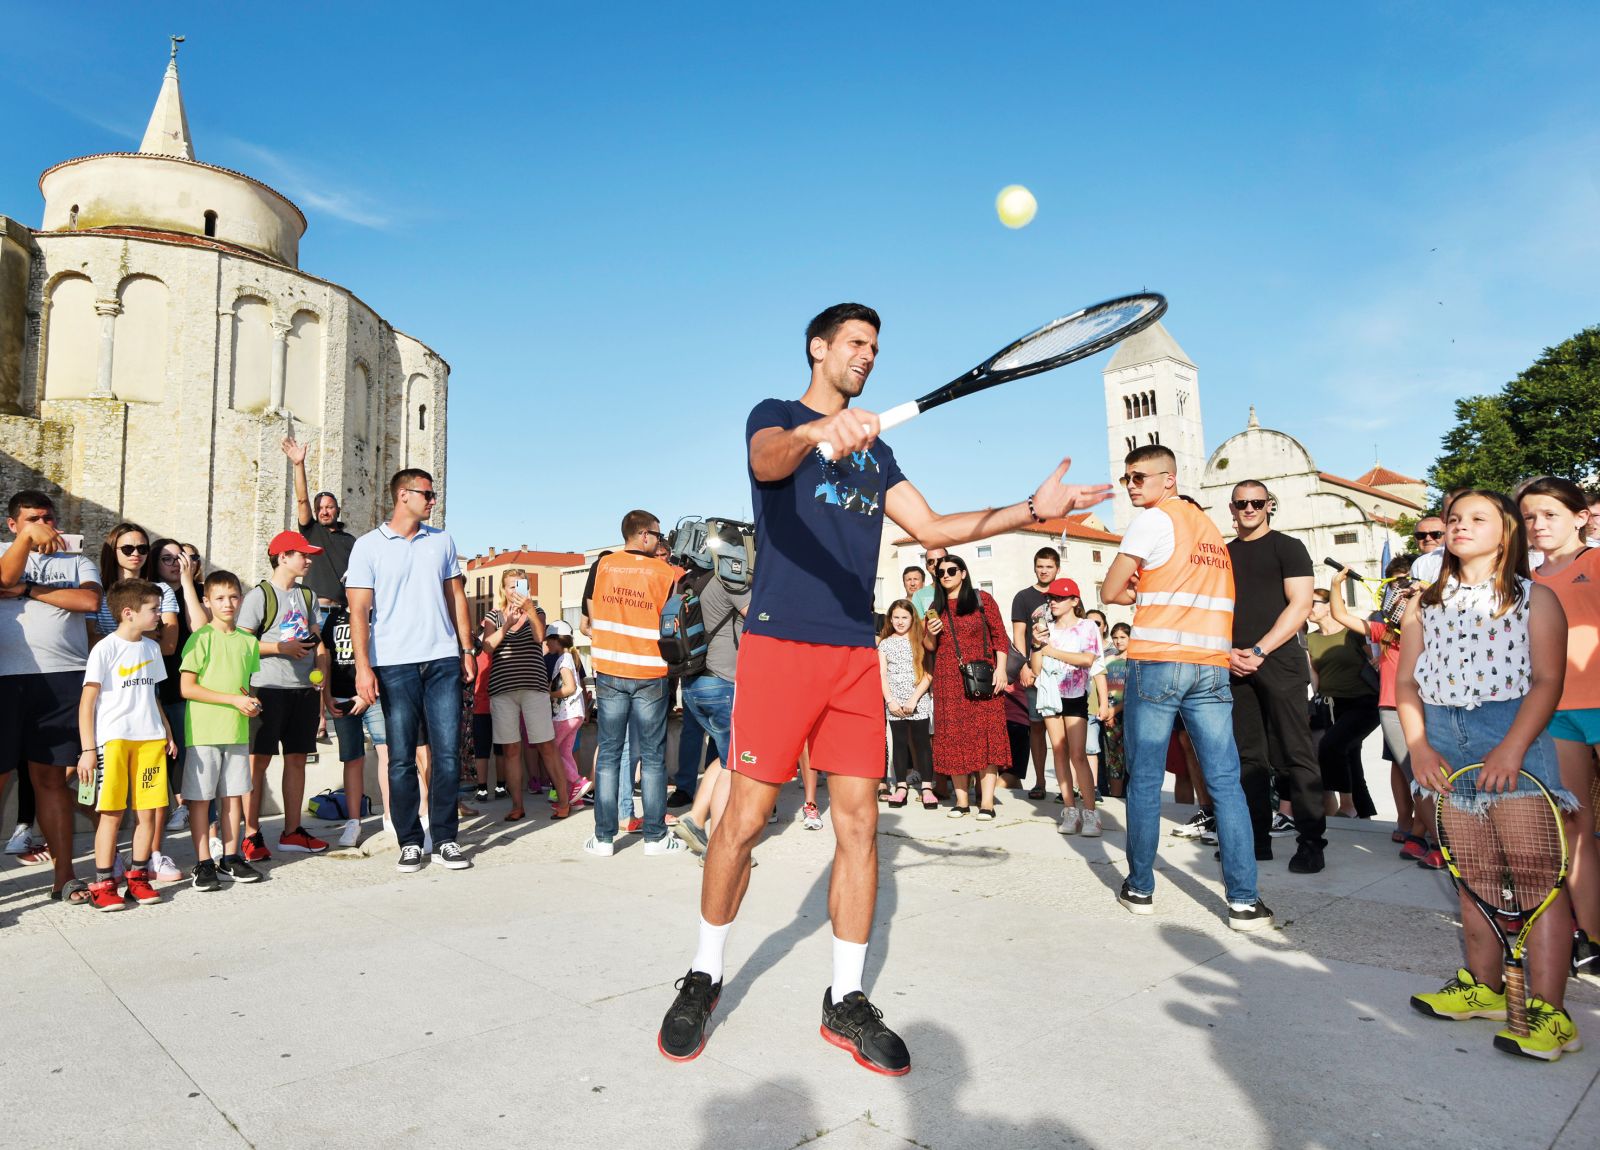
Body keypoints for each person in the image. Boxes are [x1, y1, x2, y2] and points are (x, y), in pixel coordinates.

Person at [656, 301, 1110, 1072]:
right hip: (776, 648)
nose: (868, 356)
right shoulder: (776, 416)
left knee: (860, 825)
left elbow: (933, 531)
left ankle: (845, 998)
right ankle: (704, 974)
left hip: (851, 654)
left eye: (875, 347)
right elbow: (768, 460)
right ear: (819, 347)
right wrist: (814, 433)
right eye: (856, 344)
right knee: (745, 816)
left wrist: (1031, 511)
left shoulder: (877, 455)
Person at [1401, 490, 1581, 1060]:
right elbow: (1406, 683)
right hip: (1443, 739)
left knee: (1534, 874)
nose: (1458, 526)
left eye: (1476, 519)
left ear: (1505, 533)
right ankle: (1483, 987)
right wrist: (1420, 749)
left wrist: (1512, 748)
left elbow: (1549, 681)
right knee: (1472, 873)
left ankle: (1551, 1013)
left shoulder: (1536, 598)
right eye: (1453, 518)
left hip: (1510, 732)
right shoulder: (1423, 604)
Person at [1101, 446, 1273, 930]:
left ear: (1168, 479)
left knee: (1146, 780)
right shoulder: (1213, 536)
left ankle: (1139, 888)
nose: (1131, 485)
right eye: (1125, 477)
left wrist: (1141, 589)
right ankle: (1244, 901)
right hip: (1211, 666)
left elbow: (1110, 591)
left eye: (1139, 477)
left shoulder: (1154, 521)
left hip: (1158, 663)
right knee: (1225, 783)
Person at [347, 468, 475, 873]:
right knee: (400, 757)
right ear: (404, 495)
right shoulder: (368, 547)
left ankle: (446, 839)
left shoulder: (442, 541)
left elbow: (456, 596)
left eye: (433, 495)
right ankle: (410, 841)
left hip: (442, 659)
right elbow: (359, 611)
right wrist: (363, 668)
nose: (433, 501)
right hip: (394, 663)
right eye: (427, 494)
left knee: (448, 754)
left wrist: (466, 649)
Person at [0, 490, 102, 905]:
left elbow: (89, 600)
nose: (44, 524)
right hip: (7, 680)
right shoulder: (4, 552)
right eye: (32, 519)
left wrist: (27, 589)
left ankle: (64, 877)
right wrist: (25, 545)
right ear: (12, 524)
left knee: (50, 781)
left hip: (64, 680)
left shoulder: (76, 559)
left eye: (48, 517)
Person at [1519, 476, 1600, 981]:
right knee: (1577, 829)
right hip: (1555, 711)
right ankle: (1592, 937)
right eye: (1529, 516)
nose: (1538, 525)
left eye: (1549, 513)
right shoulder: (1523, 584)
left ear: (1580, 516)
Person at [1223, 480, 1324, 871]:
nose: (1249, 508)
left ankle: (1312, 842)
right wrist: (1229, 652)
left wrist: (1260, 650)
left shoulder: (1288, 547)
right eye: (1241, 503)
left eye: (1257, 502)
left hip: (1278, 661)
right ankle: (1256, 841)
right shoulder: (1223, 554)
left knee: (1296, 753)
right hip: (1233, 662)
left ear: (1269, 505)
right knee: (1248, 757)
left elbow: (1300, 605)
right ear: (1231, 508)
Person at [581, 511, 686, 857]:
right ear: (643, 535)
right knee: (653, 758)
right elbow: (671, 621)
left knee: (609, 754)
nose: (658, 540)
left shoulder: (604, 566)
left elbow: (590, 618)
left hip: (610, 669)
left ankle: (603, 838)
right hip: (649, 671)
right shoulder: (664, 572)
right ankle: (655, 837)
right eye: (656, 535)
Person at [77, 578, 177, 911]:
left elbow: (152, 695)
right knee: (112, 814)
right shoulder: (104, 648)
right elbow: (87, 702)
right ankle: (103, 884)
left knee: (147, 814)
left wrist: (167, 732)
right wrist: (88, 750)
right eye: (153, 610)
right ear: (128, 613)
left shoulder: (151, 647)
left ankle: (138, 877)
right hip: (114, 741)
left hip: (150, 741)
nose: (159, 616)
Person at [238, 530, 330, 858]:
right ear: (282, 557)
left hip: (303, 691)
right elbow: (241, 643)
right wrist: (280, 647)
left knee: (297, 760)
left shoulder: (307, 596)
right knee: (257, 763)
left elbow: (318, 642)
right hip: (267, 689)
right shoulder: (259, 596)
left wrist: (321, 679)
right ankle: (251, 833)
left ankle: (292, 831)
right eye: (302, 555)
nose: (308, 560)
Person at [179, 570, 265, 886]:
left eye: (232, 596)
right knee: (201, 799)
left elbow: (245, 689)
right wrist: (232, 700)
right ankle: (203, 863)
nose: (227, 603)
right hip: (203, 732)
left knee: (232, 797)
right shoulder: (200, 637)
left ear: (240, 599)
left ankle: (230, 858)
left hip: (237, 731)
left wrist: (251, 702)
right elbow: (187, 688)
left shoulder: (248, 641)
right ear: (207, 601)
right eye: (219, 598)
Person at [672, 561, 750, 846]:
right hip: (722, 683)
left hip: (694, 683)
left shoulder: (688, 582)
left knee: (726, 757)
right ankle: (719, 845)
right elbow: (760, 619)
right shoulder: (731, 581)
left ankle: (694, 818)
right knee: (736, 765)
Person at [482, 568, 568, 821]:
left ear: (527, 588)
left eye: (519, 585)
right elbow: (487, 646)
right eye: (510, 586)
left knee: (546, 744)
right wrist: (507, 623)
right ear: (503, 589)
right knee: (510, 749)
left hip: (534, 687)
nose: (514, 591)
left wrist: (529, 610)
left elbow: (539, 637)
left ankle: (564, 800)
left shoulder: (537, 611)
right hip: (502, 689)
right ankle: (517, 805)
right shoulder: (493, 616)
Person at [148, 538, 209, 869]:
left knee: (193, 755)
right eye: (168, 558)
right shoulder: (147, 594)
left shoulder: (199, 593)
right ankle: (174, 808)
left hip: (192, 688)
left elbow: (199, 628)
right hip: (159, 686)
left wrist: (187, 583)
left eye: (184, 558)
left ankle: (194, 817)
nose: (176, 563)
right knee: (167, 755)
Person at [1029, 577, 1103, 835]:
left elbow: (1087, 660)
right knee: (1058, 752)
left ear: (1074, 600)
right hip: (1050, 695)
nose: (1054, 601)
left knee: (1078, 754)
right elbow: (1036, 668)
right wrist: (1037, 644)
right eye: (1052, 597)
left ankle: (1091, 813)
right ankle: (1070, 811)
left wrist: (1051, 650)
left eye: (1060, 597)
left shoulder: (1088, 626)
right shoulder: (1045, 628)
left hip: (1074, 694)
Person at [1308, 588, 1380, 818]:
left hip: (1364, 702)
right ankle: (1364, 811)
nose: (1307, 607)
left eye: (1313, 602)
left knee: (1332, 745)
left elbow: (1376, 660)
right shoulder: (1310, 640)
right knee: (1350, 755)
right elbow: (1315, 676)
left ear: (1330, 605)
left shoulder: (1353, 634)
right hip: (1331, 706)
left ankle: (1347, 805)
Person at [319, 597, 375, 849]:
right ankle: (354, 821)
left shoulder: (381, 614)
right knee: (352, 759)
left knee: (388, 754)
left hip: (375, 697)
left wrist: (368, 694)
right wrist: (326, 695)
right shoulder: (333, 618)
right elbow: (326, 659)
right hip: (341, 698)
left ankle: (391, 818)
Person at [281, 436, 358, 615]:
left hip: (341, 612)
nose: (324, 512)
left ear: (337, 510)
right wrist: (298, 464)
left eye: (329, 507)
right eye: (320, 508)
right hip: (314, 611)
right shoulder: (311, 531)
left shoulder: (351, 541)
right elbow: (302, 500)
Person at [1010, 547, 1059, 798]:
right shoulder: (1023, 597)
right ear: (1034, 567)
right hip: (1034, 670)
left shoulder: (1067, 595)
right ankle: (1040, 782)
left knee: (1065, 730)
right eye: (1040, 565)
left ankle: (1068, 785)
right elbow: (1019, 635)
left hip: (1062, 671)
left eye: (1049, 566)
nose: (1044, 570)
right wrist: (1024, 666)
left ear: (1057, 569)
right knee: (1037, 728)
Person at [878, 599, 932, 808]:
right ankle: (901, 786)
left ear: (912, 619)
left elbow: (928, 673)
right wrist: (890, 701)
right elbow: (882, 674)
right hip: (895, 703)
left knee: (922, 744)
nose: (900, 622)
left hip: (917, 700)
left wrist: (914, 698)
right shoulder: (885, 643)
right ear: (890, 619)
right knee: (899, 744)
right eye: (896, 617)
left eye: (905, 617)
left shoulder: (921, 640)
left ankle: (927, 786)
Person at [1408, 514, 1448, 583]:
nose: (1428, 538)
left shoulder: (1461, 561)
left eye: (1435, 534)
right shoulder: (1417, 564)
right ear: (1415, 538)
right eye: (1421, 535)